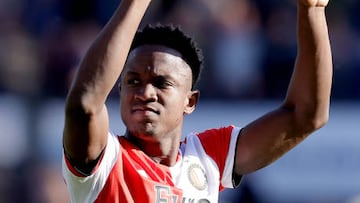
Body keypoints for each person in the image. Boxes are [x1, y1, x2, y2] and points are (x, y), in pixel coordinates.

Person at [62, 0, 333, 202]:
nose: (145, 93)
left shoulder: (206, 156)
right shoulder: (106, 161)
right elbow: (84, 105)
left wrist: (313, 9)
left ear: (190, 102)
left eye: (161, 83)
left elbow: (306, 116)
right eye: (133, 81)